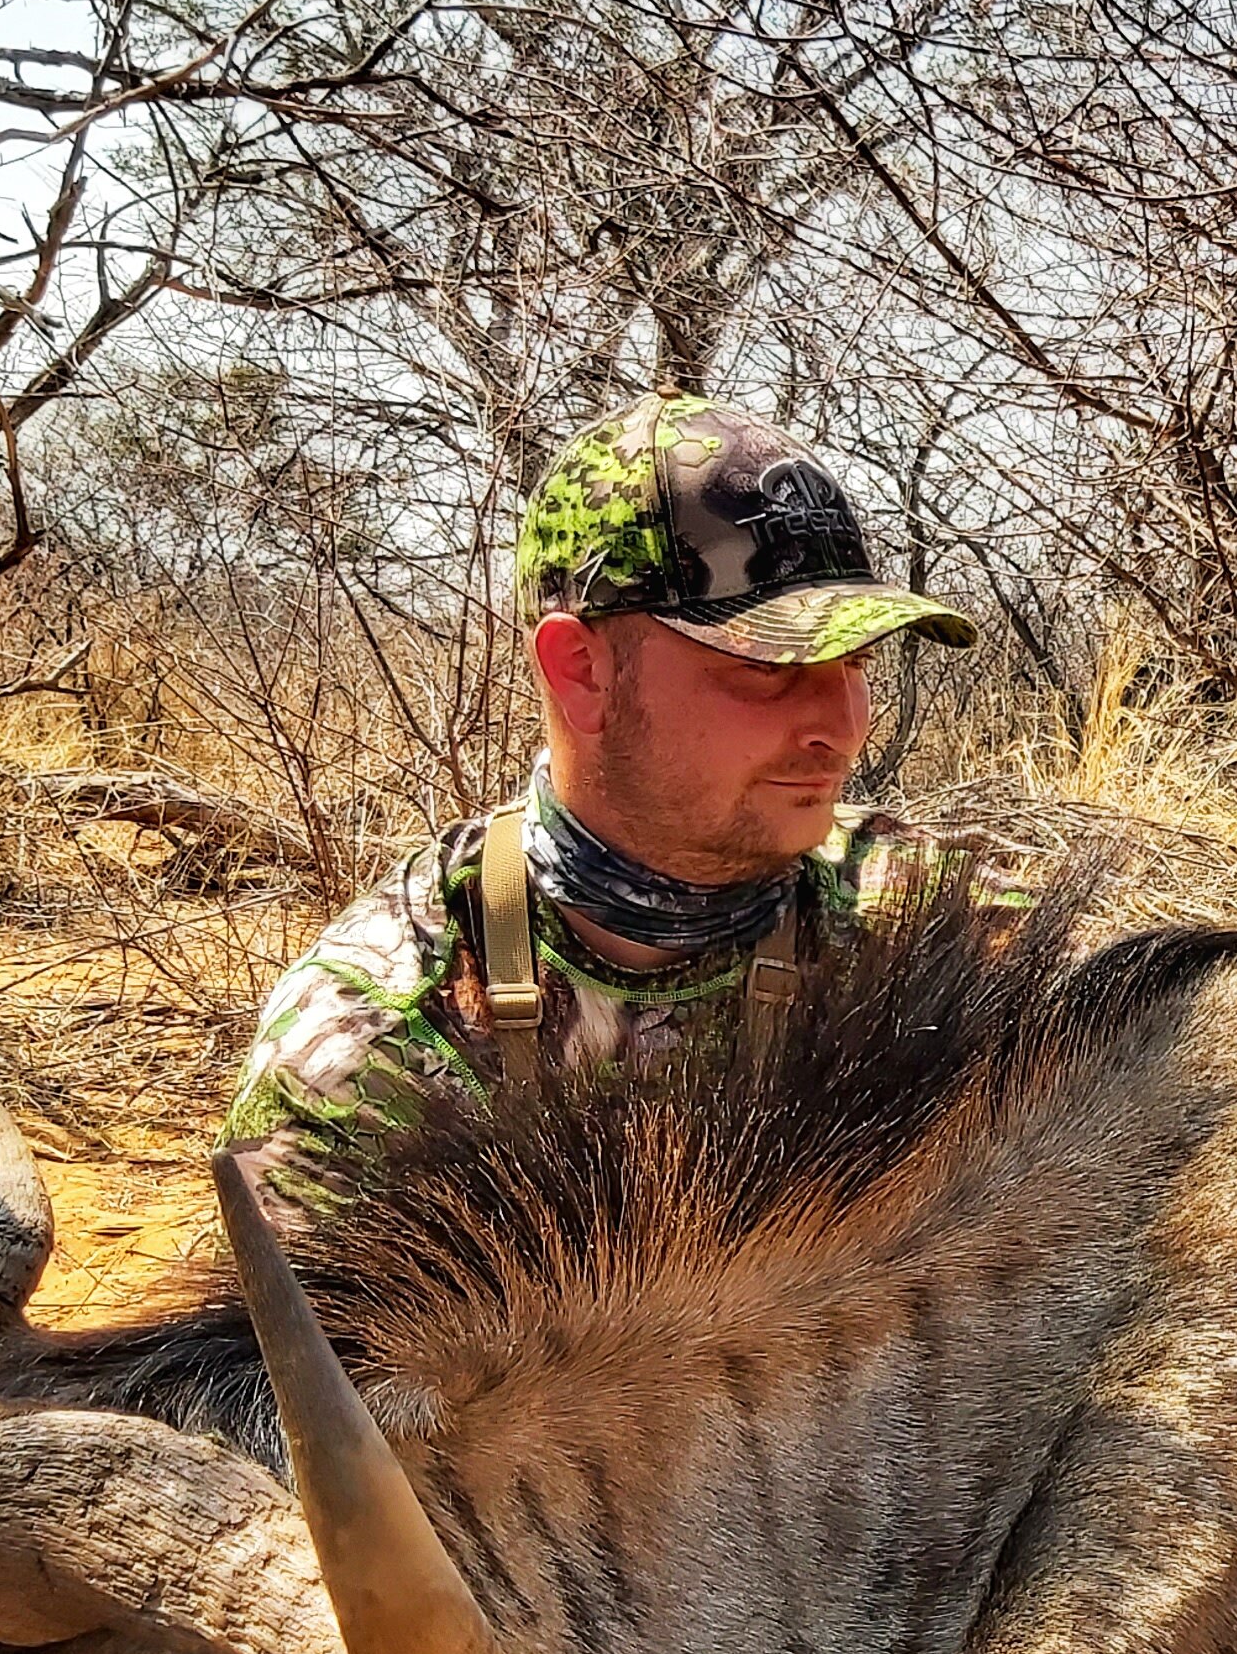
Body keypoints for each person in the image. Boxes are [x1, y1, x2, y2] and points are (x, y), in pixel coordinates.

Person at [223, 395, 997, 1199]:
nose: (842, 725)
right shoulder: (371, 1047)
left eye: (859, 661)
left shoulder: (936, 921)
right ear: (581, 672)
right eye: (770, 665)